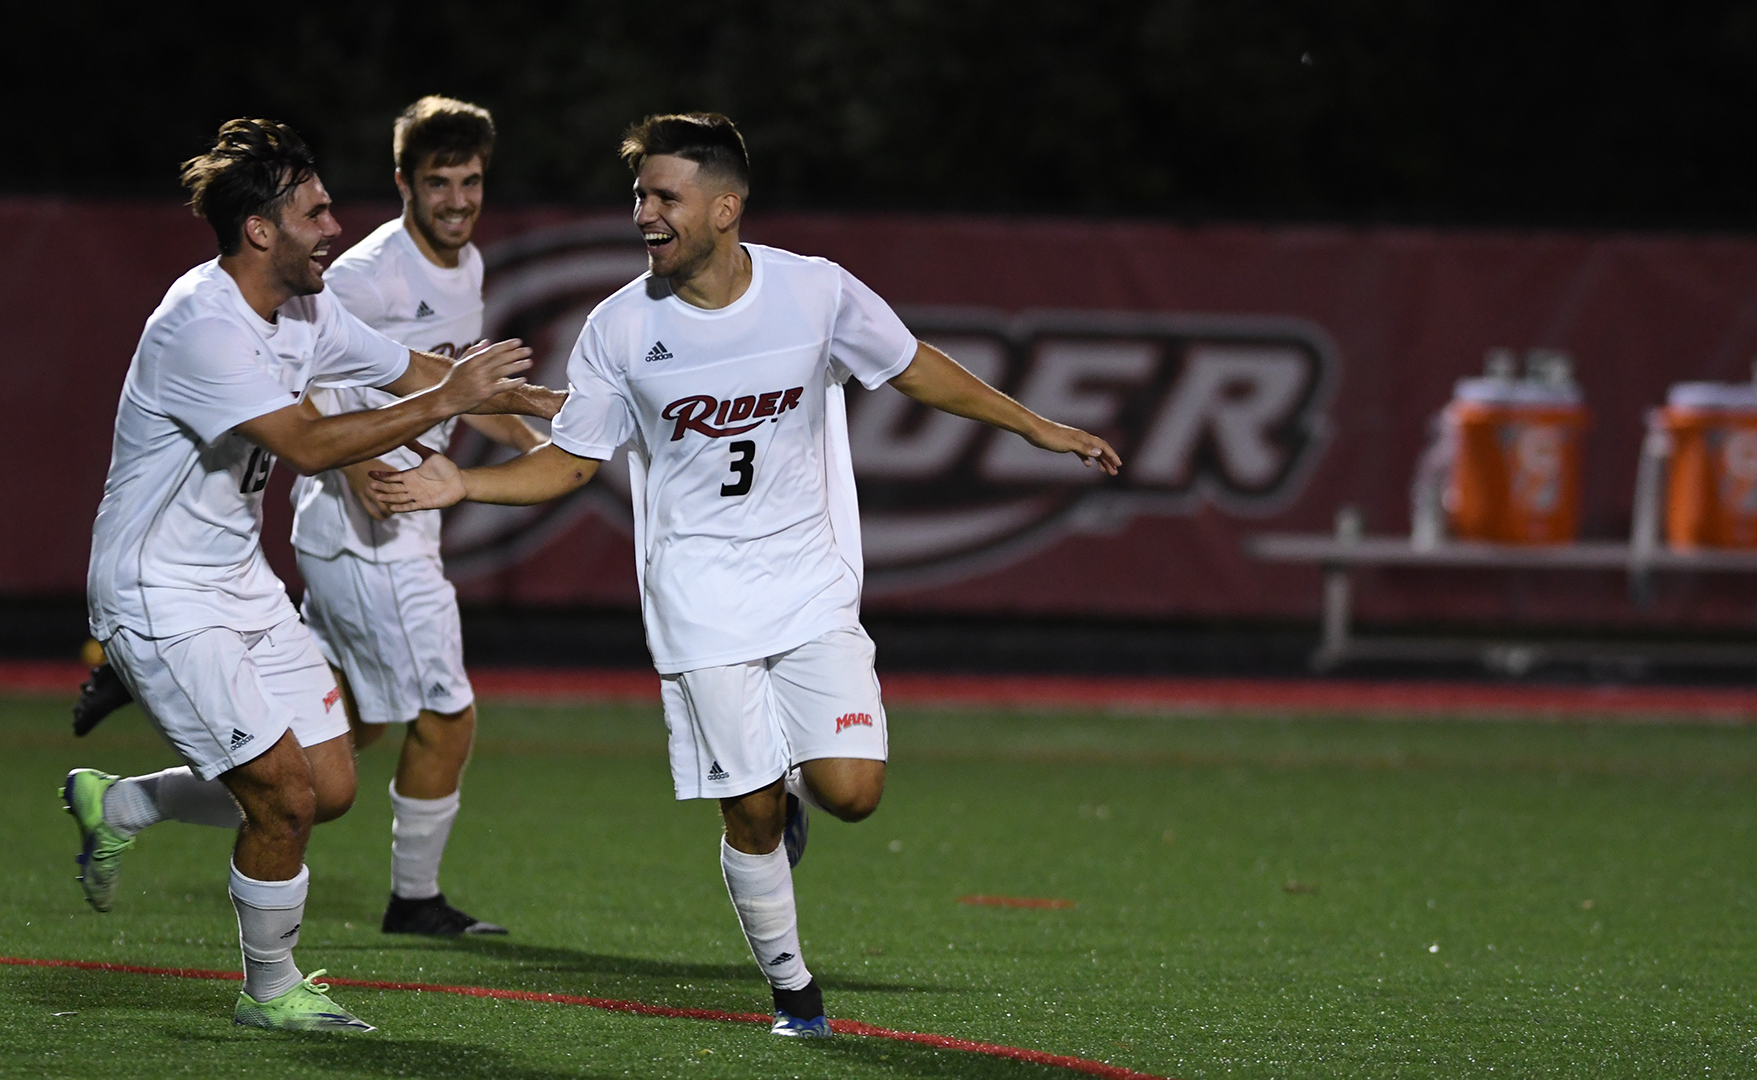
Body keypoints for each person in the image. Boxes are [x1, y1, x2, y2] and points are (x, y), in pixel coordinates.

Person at [366, 113, 1120, 1037]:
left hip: (809, 583)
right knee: (750, 812)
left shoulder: (813, 292)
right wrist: (462, 481)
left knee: (851, 793)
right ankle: (793, 989)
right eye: (639, 195)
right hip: (698, 603)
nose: (645, 213)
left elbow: (915, 368)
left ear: (725, 207)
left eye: (665, 197)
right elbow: (571, 461)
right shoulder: (618, 327)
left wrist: (1037, 426)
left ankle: (800, 789)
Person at [65, 117, 559, 1032]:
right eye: (316, 210)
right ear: (261, 229)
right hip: (158, 594)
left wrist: (525, 401)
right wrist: (446, 398)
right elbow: (306, 441)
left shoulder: (305, 305)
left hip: (238, 579)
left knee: (328, 788)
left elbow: (405, 365)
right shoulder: (201, 326)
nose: (335, 224)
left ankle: (122, 801)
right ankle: (271, 990)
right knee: (286, 796)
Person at [288, 96, 542, 938]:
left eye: (470, 181)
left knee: (338, 735)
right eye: (438, 183)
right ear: (403, 182)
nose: (459, 200)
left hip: (400, 519)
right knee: (445, 713)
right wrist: (355, 460)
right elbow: (290, 367)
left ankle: (130, 802)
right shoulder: (365, 274)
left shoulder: (464, 268)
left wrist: (553, 438)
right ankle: (415, 901)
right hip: (370, 525)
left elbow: (453, 395)